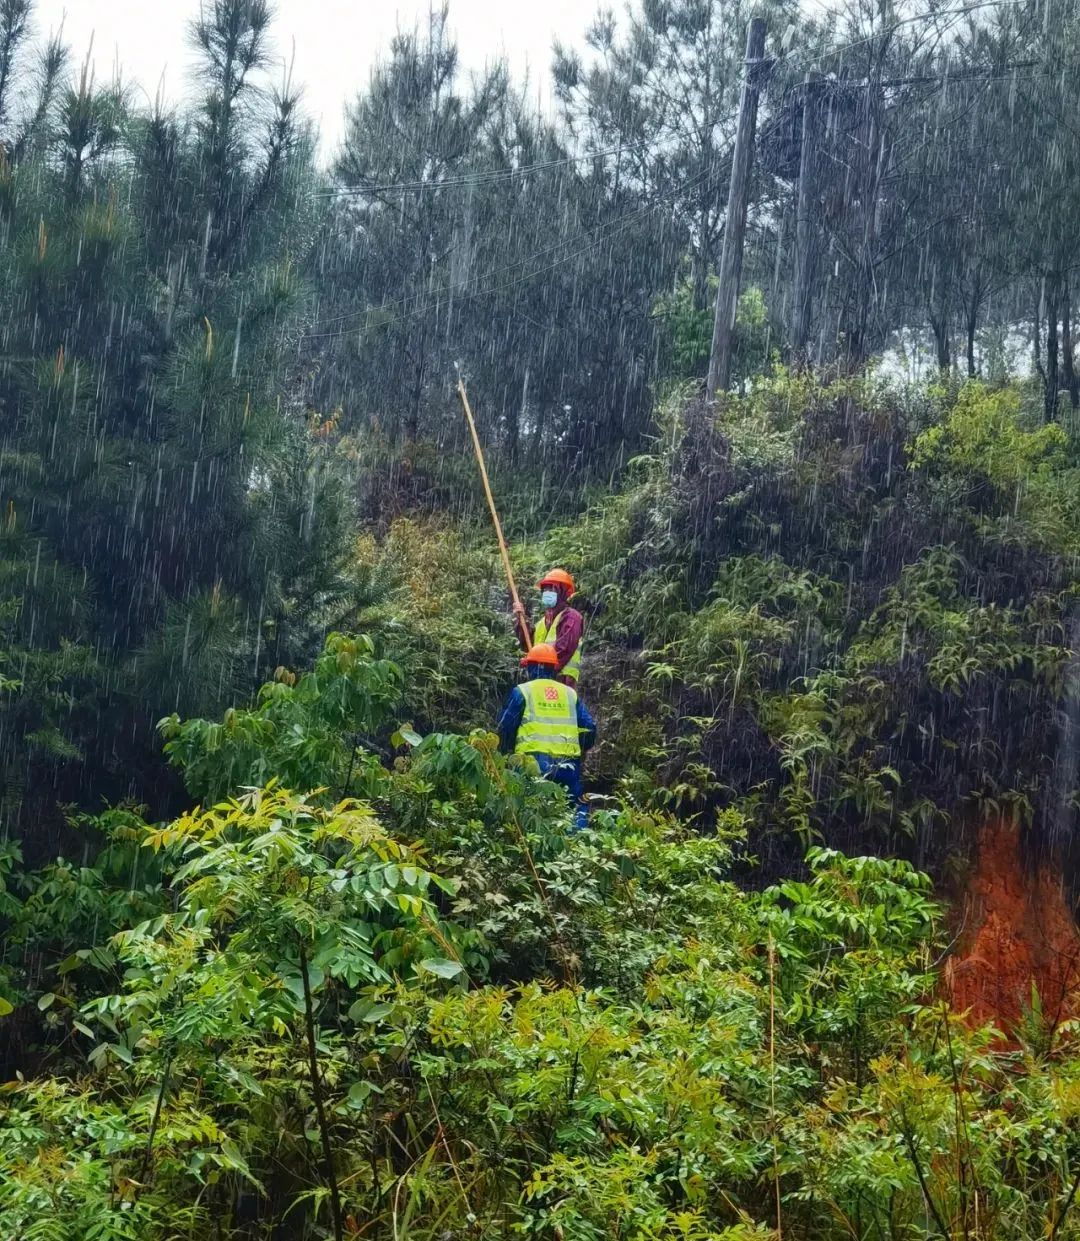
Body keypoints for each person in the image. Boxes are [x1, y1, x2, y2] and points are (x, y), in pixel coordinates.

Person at [497, 643, 597, 830]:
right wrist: (582, 749)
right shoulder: (569, 694)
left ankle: (535, 849)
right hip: (568, 763)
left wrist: (506, 753)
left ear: (531, 667)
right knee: (574, 806)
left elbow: (505, 727)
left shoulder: (523, 691)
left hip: (532, 762)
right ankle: (577, 845)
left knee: (530, 809)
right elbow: (590, 727)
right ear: (553, 668)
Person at [514, 568, 583, 688]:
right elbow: (528, 646)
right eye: (545, 589)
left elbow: (564, 648)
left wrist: (541, 668)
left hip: (562, 681)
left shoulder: (572, 617)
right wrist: (521, 621)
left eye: (552, 588)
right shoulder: (542, 623)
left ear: (563, 592)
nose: (547, 592)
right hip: (541, 681)